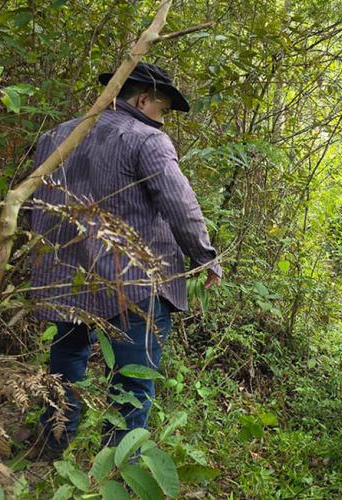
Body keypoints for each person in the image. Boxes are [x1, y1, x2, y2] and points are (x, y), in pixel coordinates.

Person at [29, 62, 221, 458]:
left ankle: (52, 443)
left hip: (66, 276)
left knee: (65, 360)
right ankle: (119, 468)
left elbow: (35, 204)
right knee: (132, 380)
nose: (162, 121)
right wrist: (205, 257)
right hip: (132, 280)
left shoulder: (56, 136)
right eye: (162, 111)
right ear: (143, 99)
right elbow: (180, 205)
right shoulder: (146, 139)